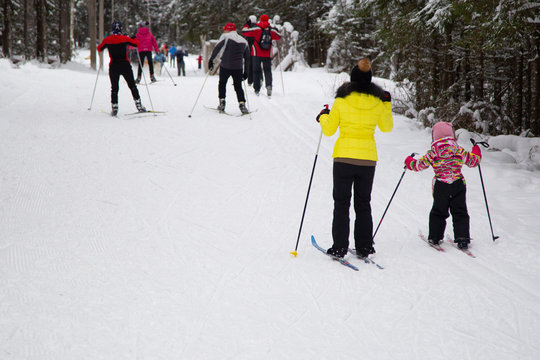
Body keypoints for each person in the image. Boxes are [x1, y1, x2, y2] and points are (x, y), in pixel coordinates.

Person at [316, 58, 393, 258]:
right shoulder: (377, 102)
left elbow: (329, 130)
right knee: (363, 203)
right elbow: (387, 127)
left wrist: (323, 116)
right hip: (367, 159)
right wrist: (386, 104)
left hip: (343, 158)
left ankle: (340, 247)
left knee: (341, 203)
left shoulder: (341, 101)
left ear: (352, 79)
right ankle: (364, 247)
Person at [404, 122, 482, 250]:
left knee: (438, 212)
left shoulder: (434, 152)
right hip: (458, 184)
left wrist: (409, 161)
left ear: (434, 136)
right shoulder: (457, 149)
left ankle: (435, 237)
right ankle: (462, 239)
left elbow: (419, 165)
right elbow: (473, 161)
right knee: (460, 211)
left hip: (441, 185)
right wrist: (476, 150)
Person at [97, 20, 146, 116]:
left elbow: (99, 48)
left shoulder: (108, 40)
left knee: (114, 88)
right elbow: (136, 44)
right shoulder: (124, 38)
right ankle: (139, 105)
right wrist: (133, 37)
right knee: (132, 85)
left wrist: (105, 41)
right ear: (121, 29)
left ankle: (114, 107)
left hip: (114, 66)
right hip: (125, 65)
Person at [208, 23, 250, 114]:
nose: (224, 31)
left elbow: (217, 47)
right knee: (238, 86)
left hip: (225, 65)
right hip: (238, 67)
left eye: (225, 29)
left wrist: (211, 60)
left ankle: (222, 103)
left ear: (228, 29)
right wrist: (246, 72)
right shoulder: (244, 41)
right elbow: (247, 58)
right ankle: (242, 105)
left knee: (222, 83)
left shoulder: (226, 36)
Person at [241, 14, 281, 96]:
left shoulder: (257, 29)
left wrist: (247, 24)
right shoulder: (271, 30)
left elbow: (244, 32)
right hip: (267, 54)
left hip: (256, 53)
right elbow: (279, 36)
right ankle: (269, 86)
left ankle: (257, 89)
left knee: (256, 71)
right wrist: (276, 29)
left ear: (260, 20)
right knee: (267, 71)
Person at [241, 15, 257, 85]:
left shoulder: (248, 27)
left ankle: (250, 81)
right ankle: (258, 79)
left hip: (249, 48)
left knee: (249, 64)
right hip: (257, 49)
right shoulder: (258, 27)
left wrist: (247, 24)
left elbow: (243, 31)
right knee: (256, 65)